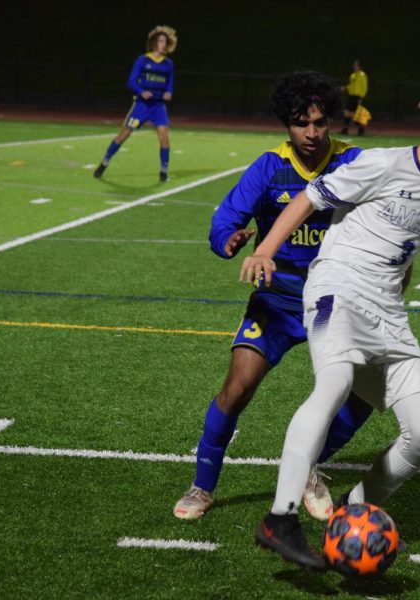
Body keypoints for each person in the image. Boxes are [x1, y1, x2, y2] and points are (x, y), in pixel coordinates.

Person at [242, 91, 420, 570]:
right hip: (337, 285)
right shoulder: (381, 164)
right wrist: (266, 251)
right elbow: (308, 198)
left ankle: (349, 514)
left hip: (388, 310)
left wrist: (405, 271)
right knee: (335, 383)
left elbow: (408, 236)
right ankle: (280, 518)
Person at [173, 71, 375, 522]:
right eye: (300, 123)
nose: (311, 133)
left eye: (320, 122)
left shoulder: (355, 161)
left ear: (330, 122)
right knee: (237, 388)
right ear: (286, 123)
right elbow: (223, 221)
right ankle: (202, 486)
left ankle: (307, 467)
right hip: (279, 303)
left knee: (366, 393)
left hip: (337, 304)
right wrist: (227, 240)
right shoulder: (268, 167)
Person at [93, 26, 176, 182]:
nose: (163, 44)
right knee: (124, 134)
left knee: (164, 137)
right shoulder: (142, 60)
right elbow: (131, 81)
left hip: (158, 107)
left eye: (165, 41)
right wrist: (141, 91)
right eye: (160, 41)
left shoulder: (168, 64)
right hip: (142, 106)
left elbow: (170, 83)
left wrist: (169, 92)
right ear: (153, 43)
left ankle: (163, 172)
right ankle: (104, 162)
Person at [340, 60, 368, 136]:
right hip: (350, 96)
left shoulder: (362, 75)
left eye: (356, 66)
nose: (354, 67)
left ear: (359, 67)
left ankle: (360, 129)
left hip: (357, 97)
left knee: (354, 114)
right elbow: (351, 85)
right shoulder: (352, 75)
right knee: (346, 112)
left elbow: (364, 87)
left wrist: (361, 97)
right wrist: (345, 88)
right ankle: (346, 129)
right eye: (354, 65)